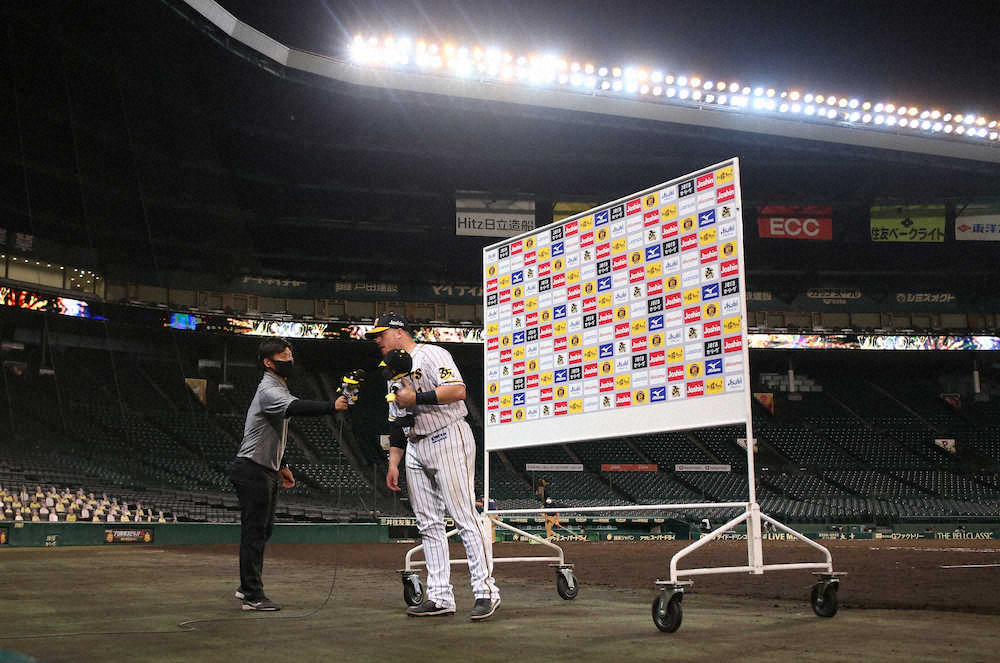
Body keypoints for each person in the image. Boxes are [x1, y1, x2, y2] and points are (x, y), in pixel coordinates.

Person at [368, 312, 500, 621]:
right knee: (428, 525)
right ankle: (440, 596)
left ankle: (486, 591)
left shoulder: (431, 354)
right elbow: (398, 422)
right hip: (415, 445)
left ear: (399, 332)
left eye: (381, 333)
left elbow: (458, 391)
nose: (377, 340)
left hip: (448, 436)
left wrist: (416, 396)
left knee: (464, 516)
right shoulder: (391, 373)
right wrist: (394, 463)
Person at [230, 337, 349, 611]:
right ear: (268, 362)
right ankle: (252, 594)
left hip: (264, 468)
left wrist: (282, 465)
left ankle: (247, 585)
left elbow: (270, 434)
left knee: (263, 530)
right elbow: (295, 408)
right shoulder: (268, 390)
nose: (289, 359)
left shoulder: (278, 385)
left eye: (289, 354)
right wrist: (333, 406)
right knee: (254, 532)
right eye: (282, 356)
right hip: (252, 468)